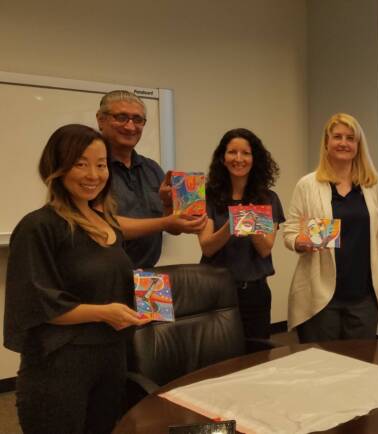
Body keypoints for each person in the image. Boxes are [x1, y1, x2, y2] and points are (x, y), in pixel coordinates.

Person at [3, 124, 150, 433]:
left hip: (111, 357)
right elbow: (37, 303)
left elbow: (103, 281)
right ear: (57, 167)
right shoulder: (38, 226)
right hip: (60, 364)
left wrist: (145, 295)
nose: (93, 175)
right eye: (81, 164)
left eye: (101, 165)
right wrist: (104, 312)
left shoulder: (106, 221)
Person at [283, 113, 378, 343]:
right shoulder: (308, 185)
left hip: (363, 295)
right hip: (320, 295)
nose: (344, 143)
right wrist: (301, 242)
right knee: (321, 362)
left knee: (361, 361)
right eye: (338, 137)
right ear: (326, 142)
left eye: (350, 138)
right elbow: (290, 232)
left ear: (358, 145)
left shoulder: (371, 185)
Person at [96, 90, 206, 268]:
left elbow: (173, 229)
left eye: (138, 119)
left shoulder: (152, 168)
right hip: (104, 275)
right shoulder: (93, 170)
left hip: (147, 274)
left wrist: (169, 207)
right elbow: (102, 226)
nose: (130, 126)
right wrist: (164, 222)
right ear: (101, 120)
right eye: (121, 117)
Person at [198, 128, 284, 342]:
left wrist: (250, 222)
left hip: (254, 292)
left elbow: (265, 249)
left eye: (246, 153)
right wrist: (233, 223)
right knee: (218, 353)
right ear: (222, 158)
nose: (239, 158)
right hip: (216, 291)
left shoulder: (267, 198)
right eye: (232, 152)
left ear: (255, 159)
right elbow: (207, 247)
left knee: (257, 353)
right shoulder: (207, 196)